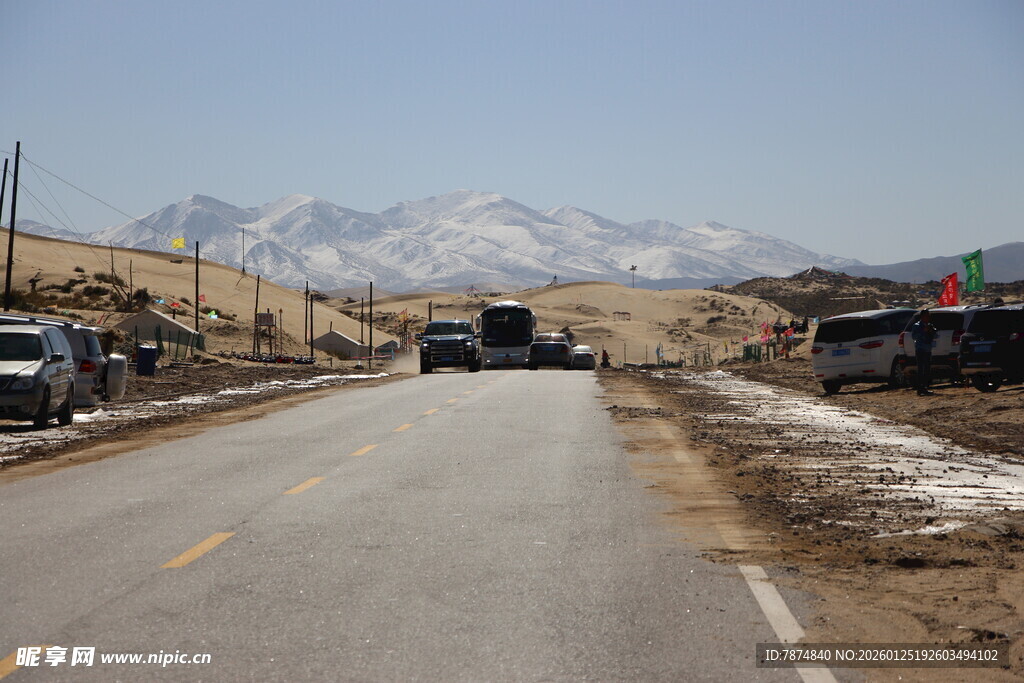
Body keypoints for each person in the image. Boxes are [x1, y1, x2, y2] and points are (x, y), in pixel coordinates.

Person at [910, 309, 938, 396]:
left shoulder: (929, 325)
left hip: (928, 349)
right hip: (920, 349)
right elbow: (914, 336)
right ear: (922, 317)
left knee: (927, 369)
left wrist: (931, 331)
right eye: (927, 316)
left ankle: (925, 387)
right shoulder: (917, 325)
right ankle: (920, 388)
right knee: (921, 369)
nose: (928, 318)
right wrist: (923, 331)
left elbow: (935, 335)